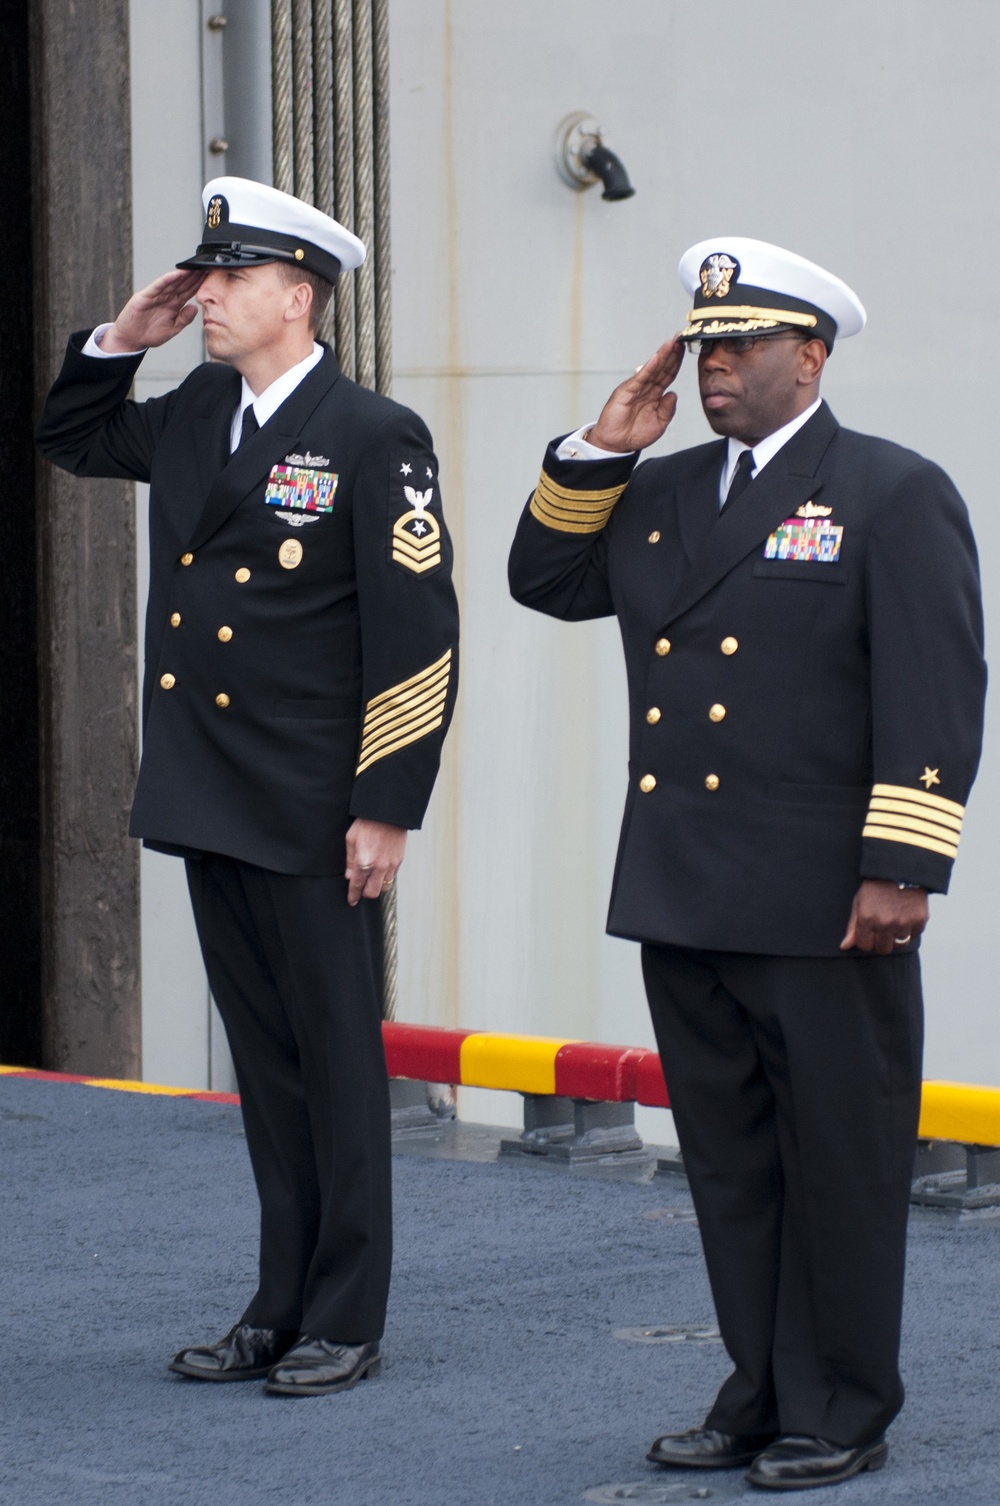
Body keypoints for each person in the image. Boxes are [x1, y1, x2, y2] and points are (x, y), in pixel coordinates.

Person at [508, 238, 985, 1489]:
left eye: (741, 347)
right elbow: (544, 579)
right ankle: (759, 1390)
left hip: (828, 899)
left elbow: (935, 694)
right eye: (704, 347)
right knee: (729, 1166)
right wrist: (603, 446)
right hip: (689, 886)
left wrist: (904, 869)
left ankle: (844, 1406)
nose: (714, 369)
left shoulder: (890, 490)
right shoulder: (659, 493)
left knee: (841, 1160)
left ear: (809, 356)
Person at [37, 177, 459, 1397]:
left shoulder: (374, 436)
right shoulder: (192, 410)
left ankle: (346, 1315)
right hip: (211, 788)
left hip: (315, 802)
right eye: (202, 276)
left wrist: (387, 801)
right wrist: (122, 341)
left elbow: (417, 636)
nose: (206, 295)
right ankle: (277, 1304)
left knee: (333, 1060)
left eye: (227, 281)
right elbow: (68, 439)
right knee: (265, 1072)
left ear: (297, 295)